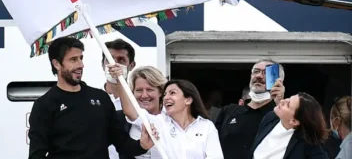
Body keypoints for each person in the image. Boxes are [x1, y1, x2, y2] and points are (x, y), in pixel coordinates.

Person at [28, 37, 157, 159]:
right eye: (73, 59)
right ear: (56, 64)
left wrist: (142, 146)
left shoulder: (101, 98)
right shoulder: (44, 104)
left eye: (81, 58)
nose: (80, 65)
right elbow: (36, 154)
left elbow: (121, 143)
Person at [109, 63, 224, 159]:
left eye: (172, 93)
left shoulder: (206, 126)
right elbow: (130, 111)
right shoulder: (158, 122)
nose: (166, 97)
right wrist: (120, 79)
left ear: (188, 100)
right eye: (165, 94)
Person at [215, 58, 285, 159]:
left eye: (266, 73)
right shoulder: (229, 111)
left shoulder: (280, 115)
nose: (259, 76)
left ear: (279, 81)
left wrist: (279, 103)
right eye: (256, 71)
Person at [249, 92, 329, 159]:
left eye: (288, 105)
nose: (282, 101)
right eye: (288, 98)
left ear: (294, 121)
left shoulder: (308, 145)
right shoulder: (270, 118)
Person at [101, 39, 137, 159]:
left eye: (121, 60)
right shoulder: (92, 100)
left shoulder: (139, 102)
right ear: (103, 64)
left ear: (131, 65)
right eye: (109, 59)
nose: (114, 64)